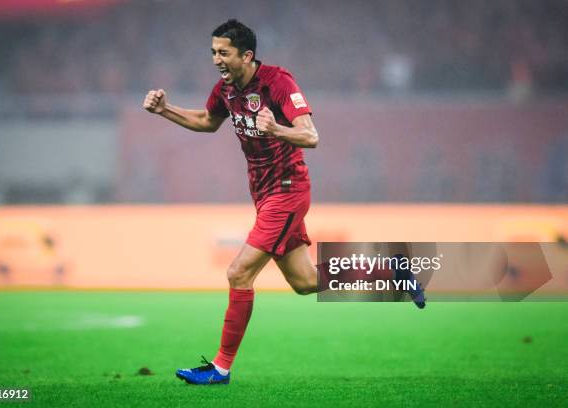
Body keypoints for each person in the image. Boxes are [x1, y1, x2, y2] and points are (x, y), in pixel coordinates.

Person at [143, 19, 425, 385]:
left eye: (223, 53)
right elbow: (207, 121)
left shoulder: (278, 83)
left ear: (246, 55)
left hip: (287, 190)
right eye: (213, 52)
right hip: (264, 194)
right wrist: (165, 110)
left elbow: (311, 136)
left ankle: (220, 368)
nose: (216, 59)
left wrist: (277, 129)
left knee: (238, 273)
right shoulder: (226, 90)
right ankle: (392, 271)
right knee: (305, 281)